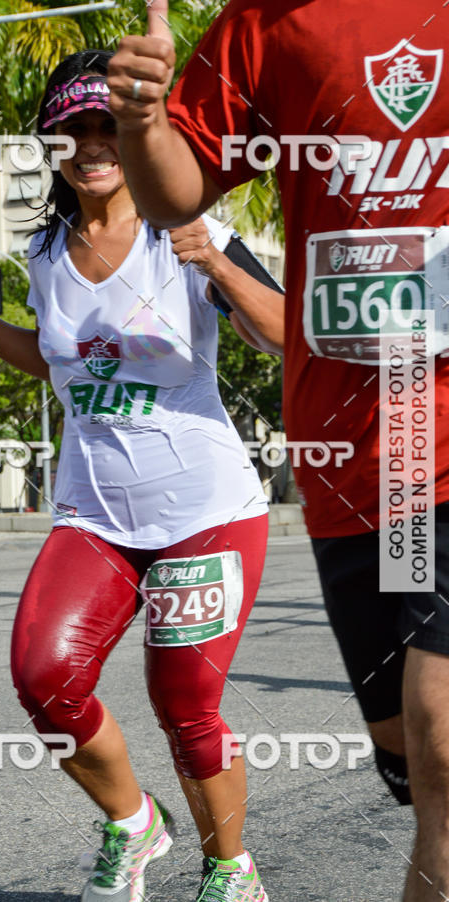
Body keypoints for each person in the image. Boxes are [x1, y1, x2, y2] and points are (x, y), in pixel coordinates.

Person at [0, 49, 284, 902]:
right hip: (94, 512)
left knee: (185, 703)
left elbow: (288, 338)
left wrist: (217, 265)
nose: (93, 144)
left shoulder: (187, 231)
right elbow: (63, 363)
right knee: (45, 677)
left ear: (138, 135)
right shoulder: (45, 249)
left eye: (110, 126)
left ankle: (232, 871)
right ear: (52, 144)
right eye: (73, 130)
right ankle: (133, 822)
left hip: (205, 510)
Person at [107, 2, 449, 900]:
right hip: (352, 456)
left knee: (446, 753)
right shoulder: (266, 22)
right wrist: (142, 120)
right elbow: (174, 193)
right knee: (412, 762)